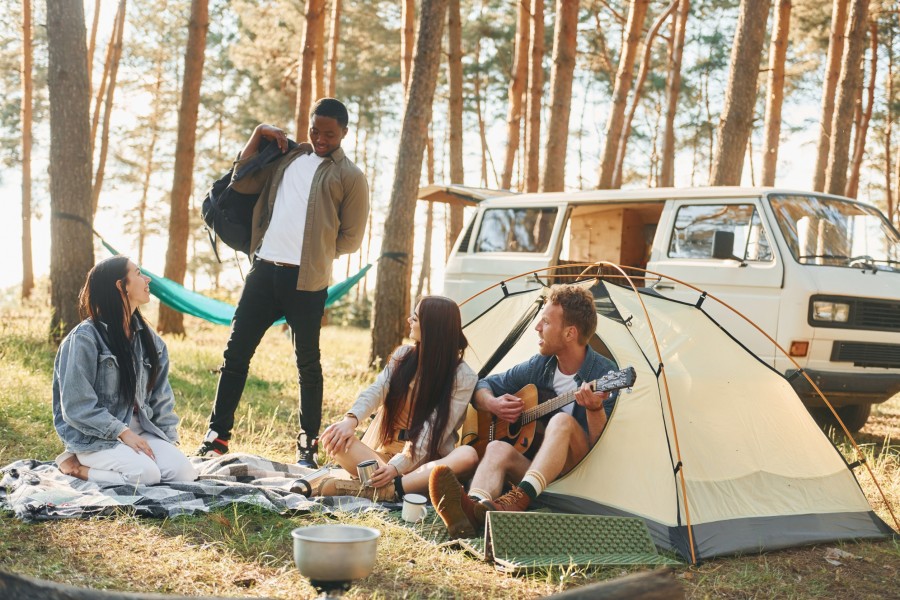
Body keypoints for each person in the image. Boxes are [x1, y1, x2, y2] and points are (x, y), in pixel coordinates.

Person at [197, 98, 370, 467]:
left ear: (344, 134)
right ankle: (217, 436)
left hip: (306, 282)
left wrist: (315, 254)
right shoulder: (287, 158)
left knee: (308, 363)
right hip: (263, 271)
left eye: (329, 134)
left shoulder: (350, 177)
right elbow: (240, 179)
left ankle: (307, 445)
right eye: (315, 130)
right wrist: (258, 132)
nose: (320, 139)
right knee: (235, 354)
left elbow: (351, 239)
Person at [428, 284, 617, 538]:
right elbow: (484, 384)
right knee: (496, 447)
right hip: (538, 473)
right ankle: (470, 509)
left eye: (546, 322)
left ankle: (519, 498)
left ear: (570, 333)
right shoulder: (542, 364)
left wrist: (594, 409)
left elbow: (602, 450)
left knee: (562, 421)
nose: (537, 327)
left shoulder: (604, 374)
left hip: (578, 472)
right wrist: (492, 403)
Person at [317, 296, 479, 500]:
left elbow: (430, 433)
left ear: (432, 328)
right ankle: (387, 489)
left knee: (466, 456)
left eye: (416, 318)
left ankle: (382, 488)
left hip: (425, 464)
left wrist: (395, 468)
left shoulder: (462, 376)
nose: (409, 320)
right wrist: (350, 420)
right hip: (382, 458)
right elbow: (377, 389)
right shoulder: (403, 356)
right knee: (336, 438)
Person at [53, 257, 197, 486]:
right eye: (139, 273)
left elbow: (161, 399)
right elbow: (76, 406)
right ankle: (78, 468)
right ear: (121, 285)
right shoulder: (84, 339)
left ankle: (137, 465)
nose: (147, 278)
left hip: (142, 433)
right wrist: (122, 432)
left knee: (184, 474)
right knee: (147, 475)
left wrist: (168, 442)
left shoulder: (153, 342)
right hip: (96, 438)